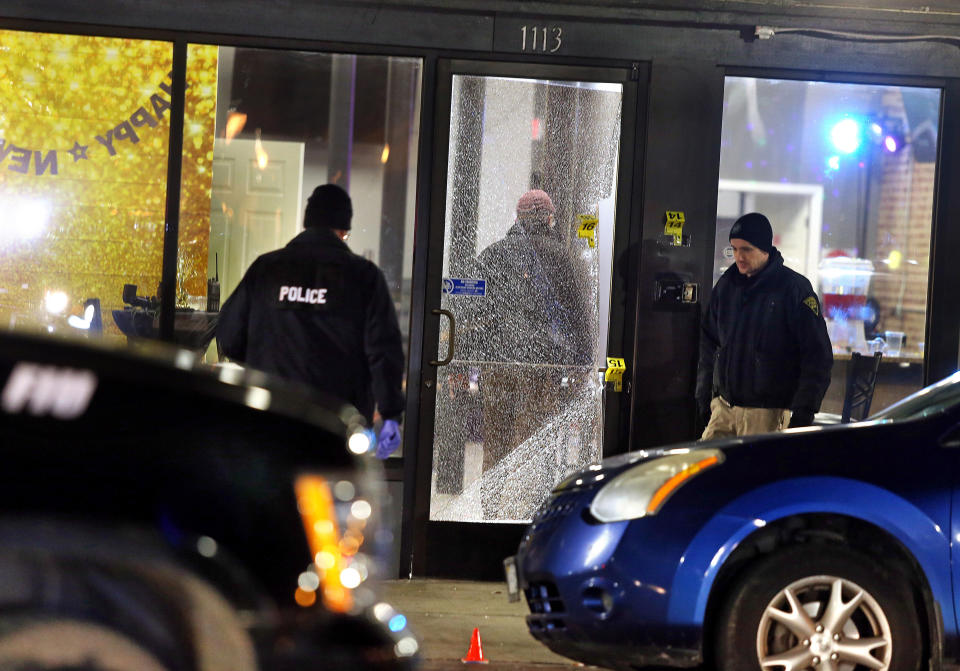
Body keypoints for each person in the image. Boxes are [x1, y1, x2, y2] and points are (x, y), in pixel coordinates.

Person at [216, 183, 405, 459]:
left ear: (307, 223)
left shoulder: (266, 268)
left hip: (271, 416)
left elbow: (229, 336)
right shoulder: (364, 277)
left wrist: (265, 362)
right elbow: (383, 350)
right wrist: (390, 413)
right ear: (343, 231)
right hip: (338, 424)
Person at [470, 189, 594, 474]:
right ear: (549, 218)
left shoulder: (494, 253)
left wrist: (467, 358)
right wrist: (583, 361)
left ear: (519, 218)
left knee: (496, 440)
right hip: (540, 366)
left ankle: (490, 507)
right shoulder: (561, 257)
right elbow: (577, 314)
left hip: (496, 364)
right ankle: (521, 512)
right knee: (529, 441)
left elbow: (475, 310)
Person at [695, 212, 833, 439]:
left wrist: (803, 411)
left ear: (765, 249)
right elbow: (708, 342)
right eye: (734, 249)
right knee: (706, 470)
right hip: (723, 409)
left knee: (757, 474)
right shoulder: (726, 287)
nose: (739, 256)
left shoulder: (793, 289)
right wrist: (704, 397)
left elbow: (817, 357)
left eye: (746, 249)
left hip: (768, 414)